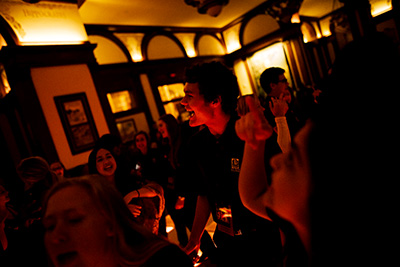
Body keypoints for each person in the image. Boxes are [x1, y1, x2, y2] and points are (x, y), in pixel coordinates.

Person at [236, 32, 400, 266]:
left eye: (293, 160)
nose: (275, 161)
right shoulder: (303, 219)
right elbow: (252, 195)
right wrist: (254, 144)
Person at [181, 61, 282, 266]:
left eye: (189, 96)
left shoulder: (252, 133)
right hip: (227, 242)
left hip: (265, 242)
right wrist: (195, 237)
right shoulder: (197, 144)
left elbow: (281, 193)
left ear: (215, 101)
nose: (183, 102)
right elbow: (204, 194)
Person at [42, 175, 193, 267]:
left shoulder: (165, 261)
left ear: (110, 223)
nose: (57, 236)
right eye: (50, 226)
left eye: (74, 220)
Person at [88, 145, 164, 234]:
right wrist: (123, 211)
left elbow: (156, 189)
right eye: (100, 160)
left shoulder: (128, 178)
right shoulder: (96, 193)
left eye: (108, 157)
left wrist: (131, 195)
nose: (106, 162)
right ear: (94, 166)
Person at [157, 114, 189, 246]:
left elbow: (183, 171)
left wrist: (182, 196)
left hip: (182, 190)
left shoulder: (179, 144)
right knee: (182, 222)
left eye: (161, 125)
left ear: (169, 125)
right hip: (171, 190)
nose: (158, 129)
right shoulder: (166, 145)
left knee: (189, 220)